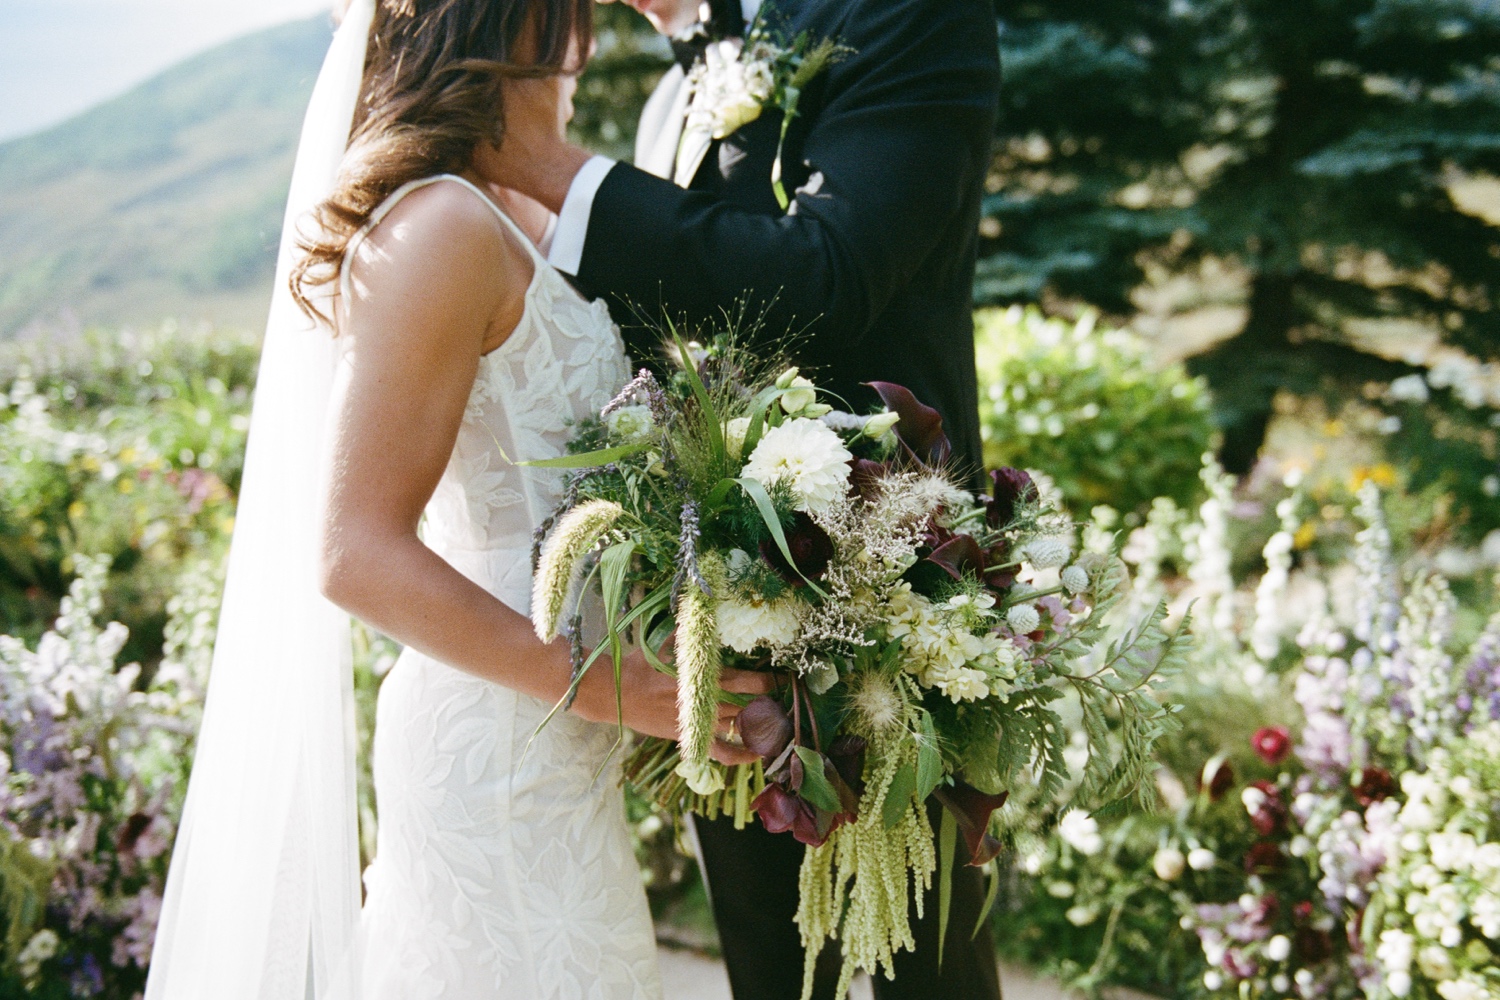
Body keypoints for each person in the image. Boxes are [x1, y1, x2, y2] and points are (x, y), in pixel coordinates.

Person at [144, 2, 763, 998]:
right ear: (509, 31)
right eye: (565, 19)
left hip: (554, 751)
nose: (585, 42)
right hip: (499, 750)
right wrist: (614, 684)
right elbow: (355, 553)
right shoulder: (437, 227)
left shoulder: (504, 212)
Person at [484, 0, 1004, 998]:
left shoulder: (902, 14)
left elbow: (823, 275)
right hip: (717, 626)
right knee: (770, 965)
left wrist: (545, 164)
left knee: (922, 970)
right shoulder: (678, 88)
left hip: (890, 616)